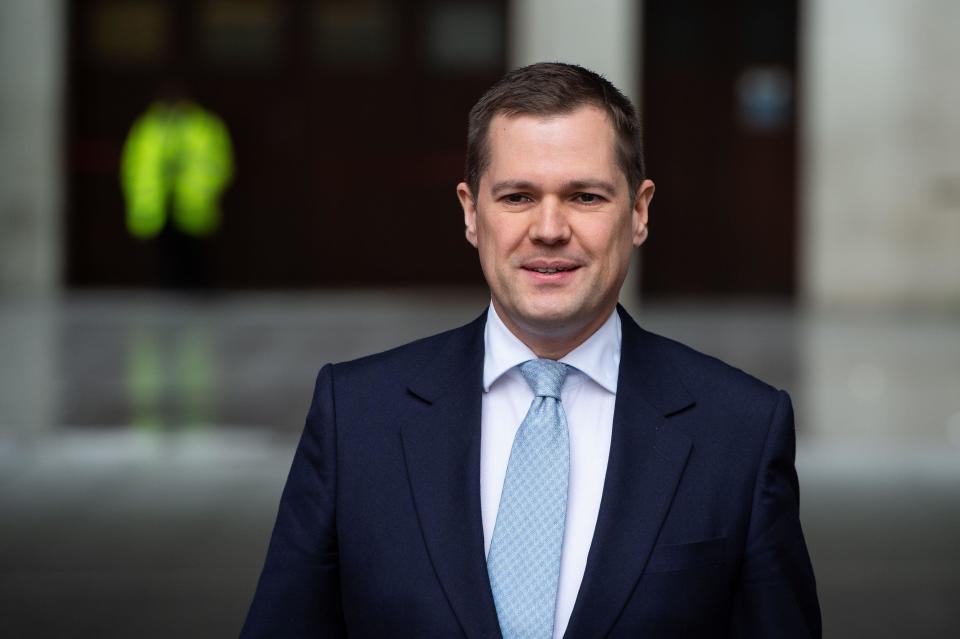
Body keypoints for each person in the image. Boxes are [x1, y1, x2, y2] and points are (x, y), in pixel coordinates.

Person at [241, 62, 821, 638]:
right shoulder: (357, 416)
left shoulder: (741, 430)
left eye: (585, 196)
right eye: (518, 196)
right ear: (471, 212)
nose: (549, 228)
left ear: (639, 211)